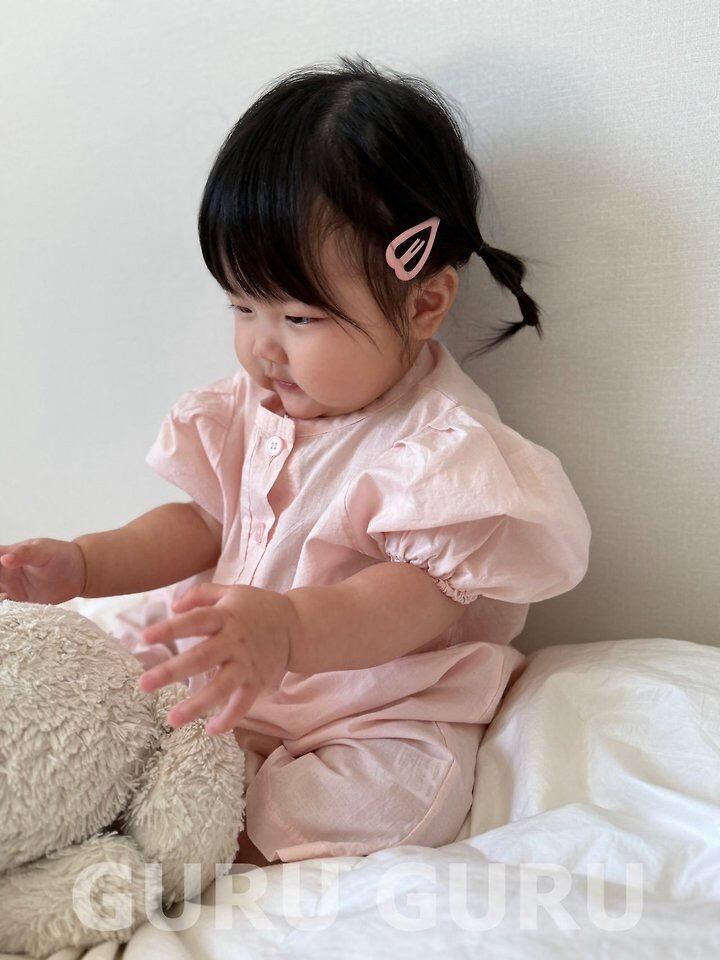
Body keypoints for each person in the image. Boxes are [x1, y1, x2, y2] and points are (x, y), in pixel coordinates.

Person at [0, 56, 591, 867]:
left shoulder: (438, 453)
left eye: (299, 317)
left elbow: (414, 601)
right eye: (243, 306)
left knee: (394, 791)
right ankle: (116, 789)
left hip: (367, 705)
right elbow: (201, 522)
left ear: (424, 303)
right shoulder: (252, 408)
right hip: (232, 664)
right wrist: (84, 564)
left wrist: (290, 630)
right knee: (110, 675)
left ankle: (206, 836)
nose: (262, 347)